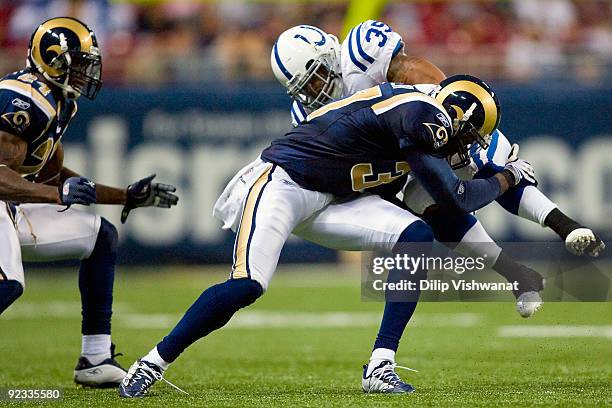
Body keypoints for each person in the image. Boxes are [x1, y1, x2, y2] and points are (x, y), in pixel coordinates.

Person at [118, 75, 539, 397]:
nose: (470, 147)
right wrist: (507, 178)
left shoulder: (420, 116)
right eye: (471, 134)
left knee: (414, 235)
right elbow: (458, 197)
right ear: (456, 118)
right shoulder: (422, 115)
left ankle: (380, 365)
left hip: (333, 198)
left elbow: (447, 211)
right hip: (282, 184)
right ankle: (152, 362)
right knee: (248, 284)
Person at [271, 21, 604, 259]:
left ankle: (566, 225)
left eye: (315, 78)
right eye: (305, 87)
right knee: (426, 202)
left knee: (486, 159)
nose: (314, 90)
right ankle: (512, 273)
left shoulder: (360, 53)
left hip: (422, 119)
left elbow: (408, 68)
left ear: (330, 54)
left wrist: (443, 106)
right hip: (392, 158)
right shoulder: (304, 116)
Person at [0, 17, 179, 388]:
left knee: (99, 235)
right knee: (8, 283)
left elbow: (56, 175)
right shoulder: (23, 101)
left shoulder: (58, 102)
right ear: (54, 60)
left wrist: (125, 196)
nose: (87, 71)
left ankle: (95, 358)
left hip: (9, 206)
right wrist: (55, 195)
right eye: (80, 63)